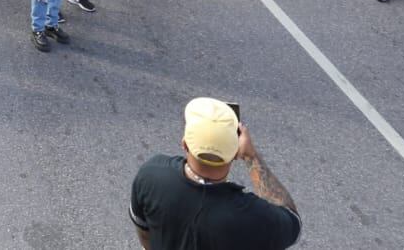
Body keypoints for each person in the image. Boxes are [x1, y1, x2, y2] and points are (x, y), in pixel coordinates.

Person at [128, 98, 301, 250]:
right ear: (235, 154)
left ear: (185, 144)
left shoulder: (151, 175)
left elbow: (144, 233)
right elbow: (293, 221)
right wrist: (251, 157)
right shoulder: (255, 216)